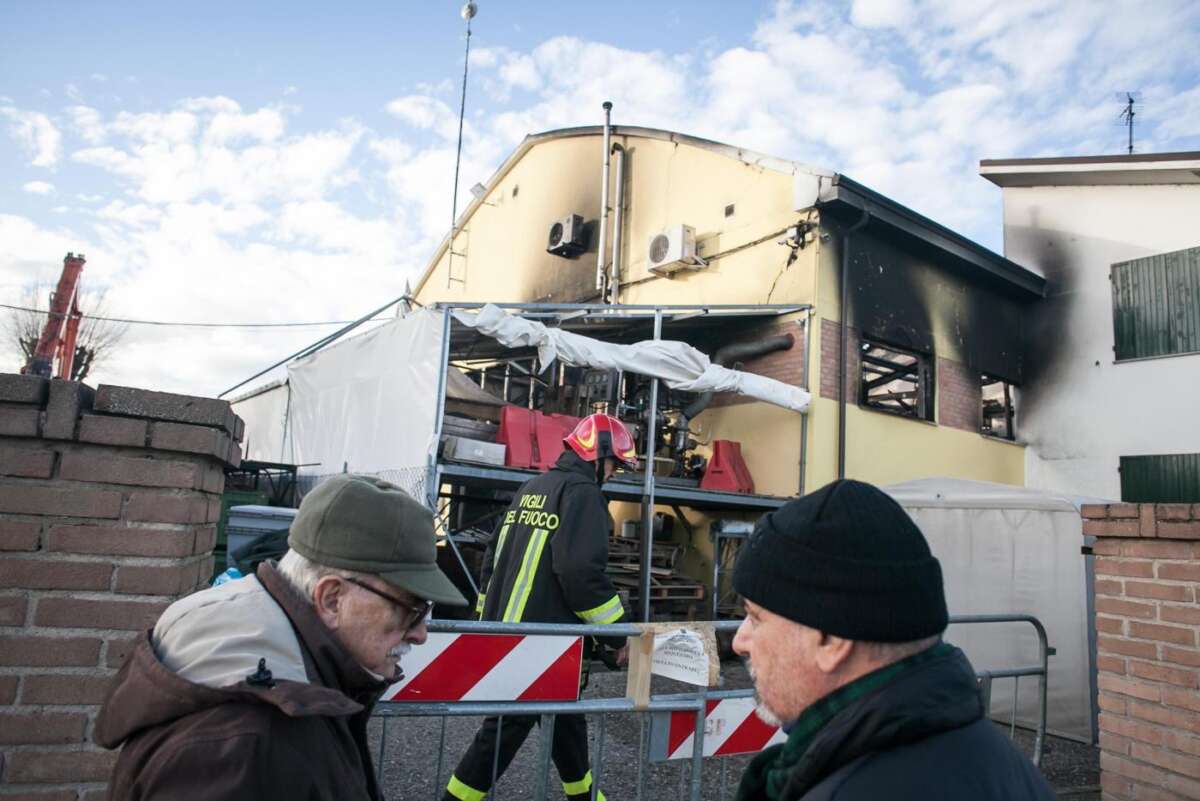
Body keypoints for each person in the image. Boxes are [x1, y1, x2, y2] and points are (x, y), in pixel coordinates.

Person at [95, 474, 468, 800]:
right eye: (409, 609)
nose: (420, 634)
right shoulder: (244, 745)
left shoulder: (288, 682)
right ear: (332, 599)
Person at [731, 479, 1056, 801]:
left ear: (830, 639)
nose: (739, 642)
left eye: (756, 617)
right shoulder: (1003, 761)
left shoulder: (849, 790)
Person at [443, 413, 635, 801]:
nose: (615, 472)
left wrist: (486, 620)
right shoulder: (584, 495)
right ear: (598, 454)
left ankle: (583, 796)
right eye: (615, 463)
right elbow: (580, 574)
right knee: (503, 732)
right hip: (542, 641)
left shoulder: (533, 487)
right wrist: (618, 634)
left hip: (516, 633)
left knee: (565, 719)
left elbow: (492, 557)